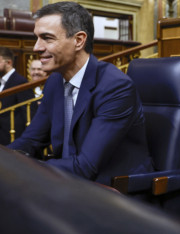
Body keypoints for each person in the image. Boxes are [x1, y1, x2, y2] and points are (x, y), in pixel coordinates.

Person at [8, 1, 154, 186]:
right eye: (37, 38)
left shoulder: (115, 86)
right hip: (71, 182)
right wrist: (6, 159)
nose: (36, 47)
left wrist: (27, 168)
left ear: (79, 40)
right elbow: (31, 140)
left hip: (117, 191)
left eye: (47, 38)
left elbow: (86, 166)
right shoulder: (54, 81)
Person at [0, 47, 35, 145]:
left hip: (13, 138)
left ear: (9, 63)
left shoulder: (20, 82)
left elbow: (28, 113)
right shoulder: (1, 82)